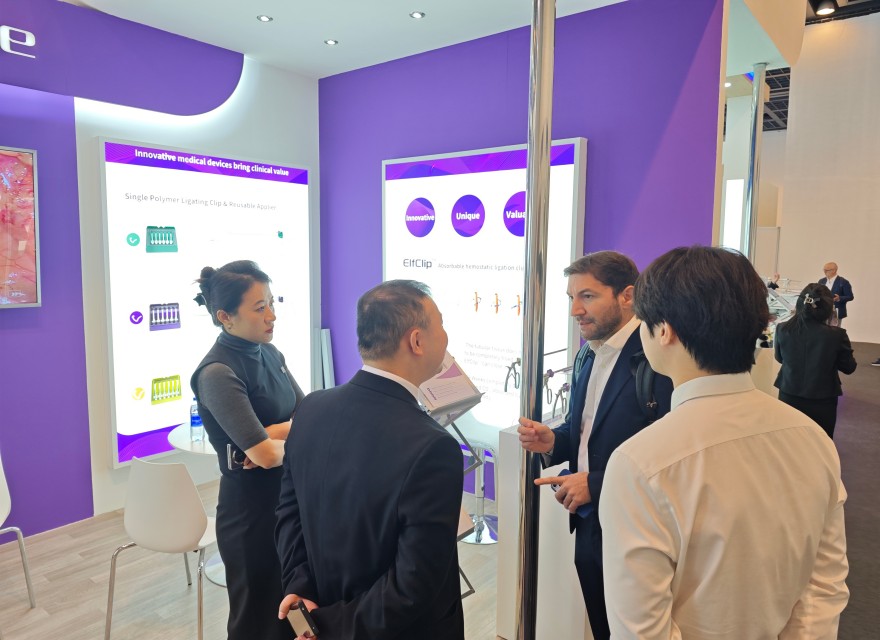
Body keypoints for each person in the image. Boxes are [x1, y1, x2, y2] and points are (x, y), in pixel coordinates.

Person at [600, 246, 849, 639]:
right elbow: (824, 586)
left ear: (664, 331)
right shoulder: (812, 437)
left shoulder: (641, 463)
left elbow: (640, 631)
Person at [275, 280, 464, 639]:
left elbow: (288, 513)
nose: (446, 336)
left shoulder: (312, 409)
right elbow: (415, 583)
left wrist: (301, 589)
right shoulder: (433, 446)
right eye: (441, 324)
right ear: (417, 341)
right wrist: (329, 627)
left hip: (319, 611)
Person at [517, 251, 673, 640]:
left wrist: (596, 484)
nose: (575, 310)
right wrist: (553, 441)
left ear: (627, 296)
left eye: (587, 296)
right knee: (603, 625)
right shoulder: (589, 351)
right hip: (588, 522)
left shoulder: (656, 358)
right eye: (572, 298)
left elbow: (670, 455)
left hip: (637, 528)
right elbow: (583, 427)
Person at [191, 260, 303, 640]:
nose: (272, 315)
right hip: (250, 516)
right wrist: (264, 443)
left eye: (272, 302)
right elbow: (266, 456)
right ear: (225, 317)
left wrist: (267, 433)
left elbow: (308, 414)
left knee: (291, 612)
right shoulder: (217, 373)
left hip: (289, 500)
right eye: (259, 308)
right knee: (256, 621)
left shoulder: (270, 354)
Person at [774, 283, 857, 438]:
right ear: (828, 308)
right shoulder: (837, 335)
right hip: (823, 400)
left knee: (789, 441)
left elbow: (779, 358)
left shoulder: (782, 329)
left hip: (788, 394)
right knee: (821, 442)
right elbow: (849, 367)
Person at [819, 262, 854, 327]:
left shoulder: (843, 282)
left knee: (834, 330)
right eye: (824, 270)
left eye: (827, 270)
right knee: (822, 329)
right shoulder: (821, 281)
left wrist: (839, 298)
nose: (824, 272)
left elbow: (850, 296)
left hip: (836, 311)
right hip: (822, 311)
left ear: (834, 270)